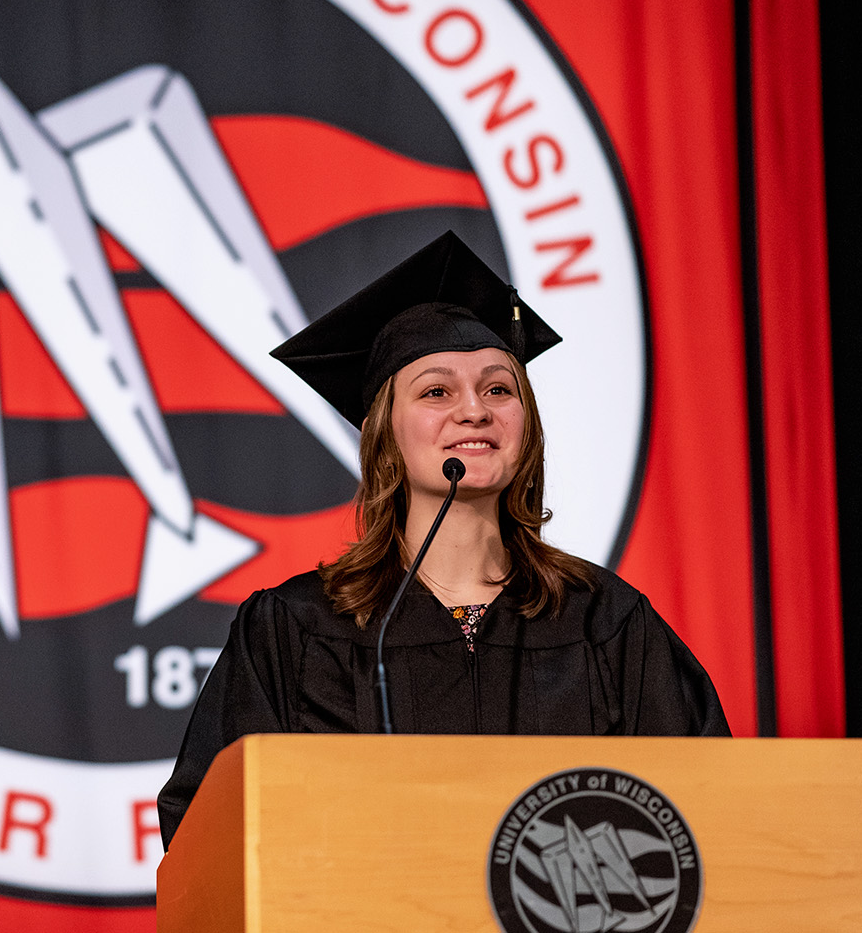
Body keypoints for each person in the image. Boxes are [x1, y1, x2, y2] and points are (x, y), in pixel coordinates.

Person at [157, 232, 728, 846]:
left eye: (498, 388)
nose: (475, 411)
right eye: (436, 391)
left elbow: (707, 813)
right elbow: (209, 831)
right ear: (386, 434)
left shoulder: (605, 623)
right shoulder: (294, 630)